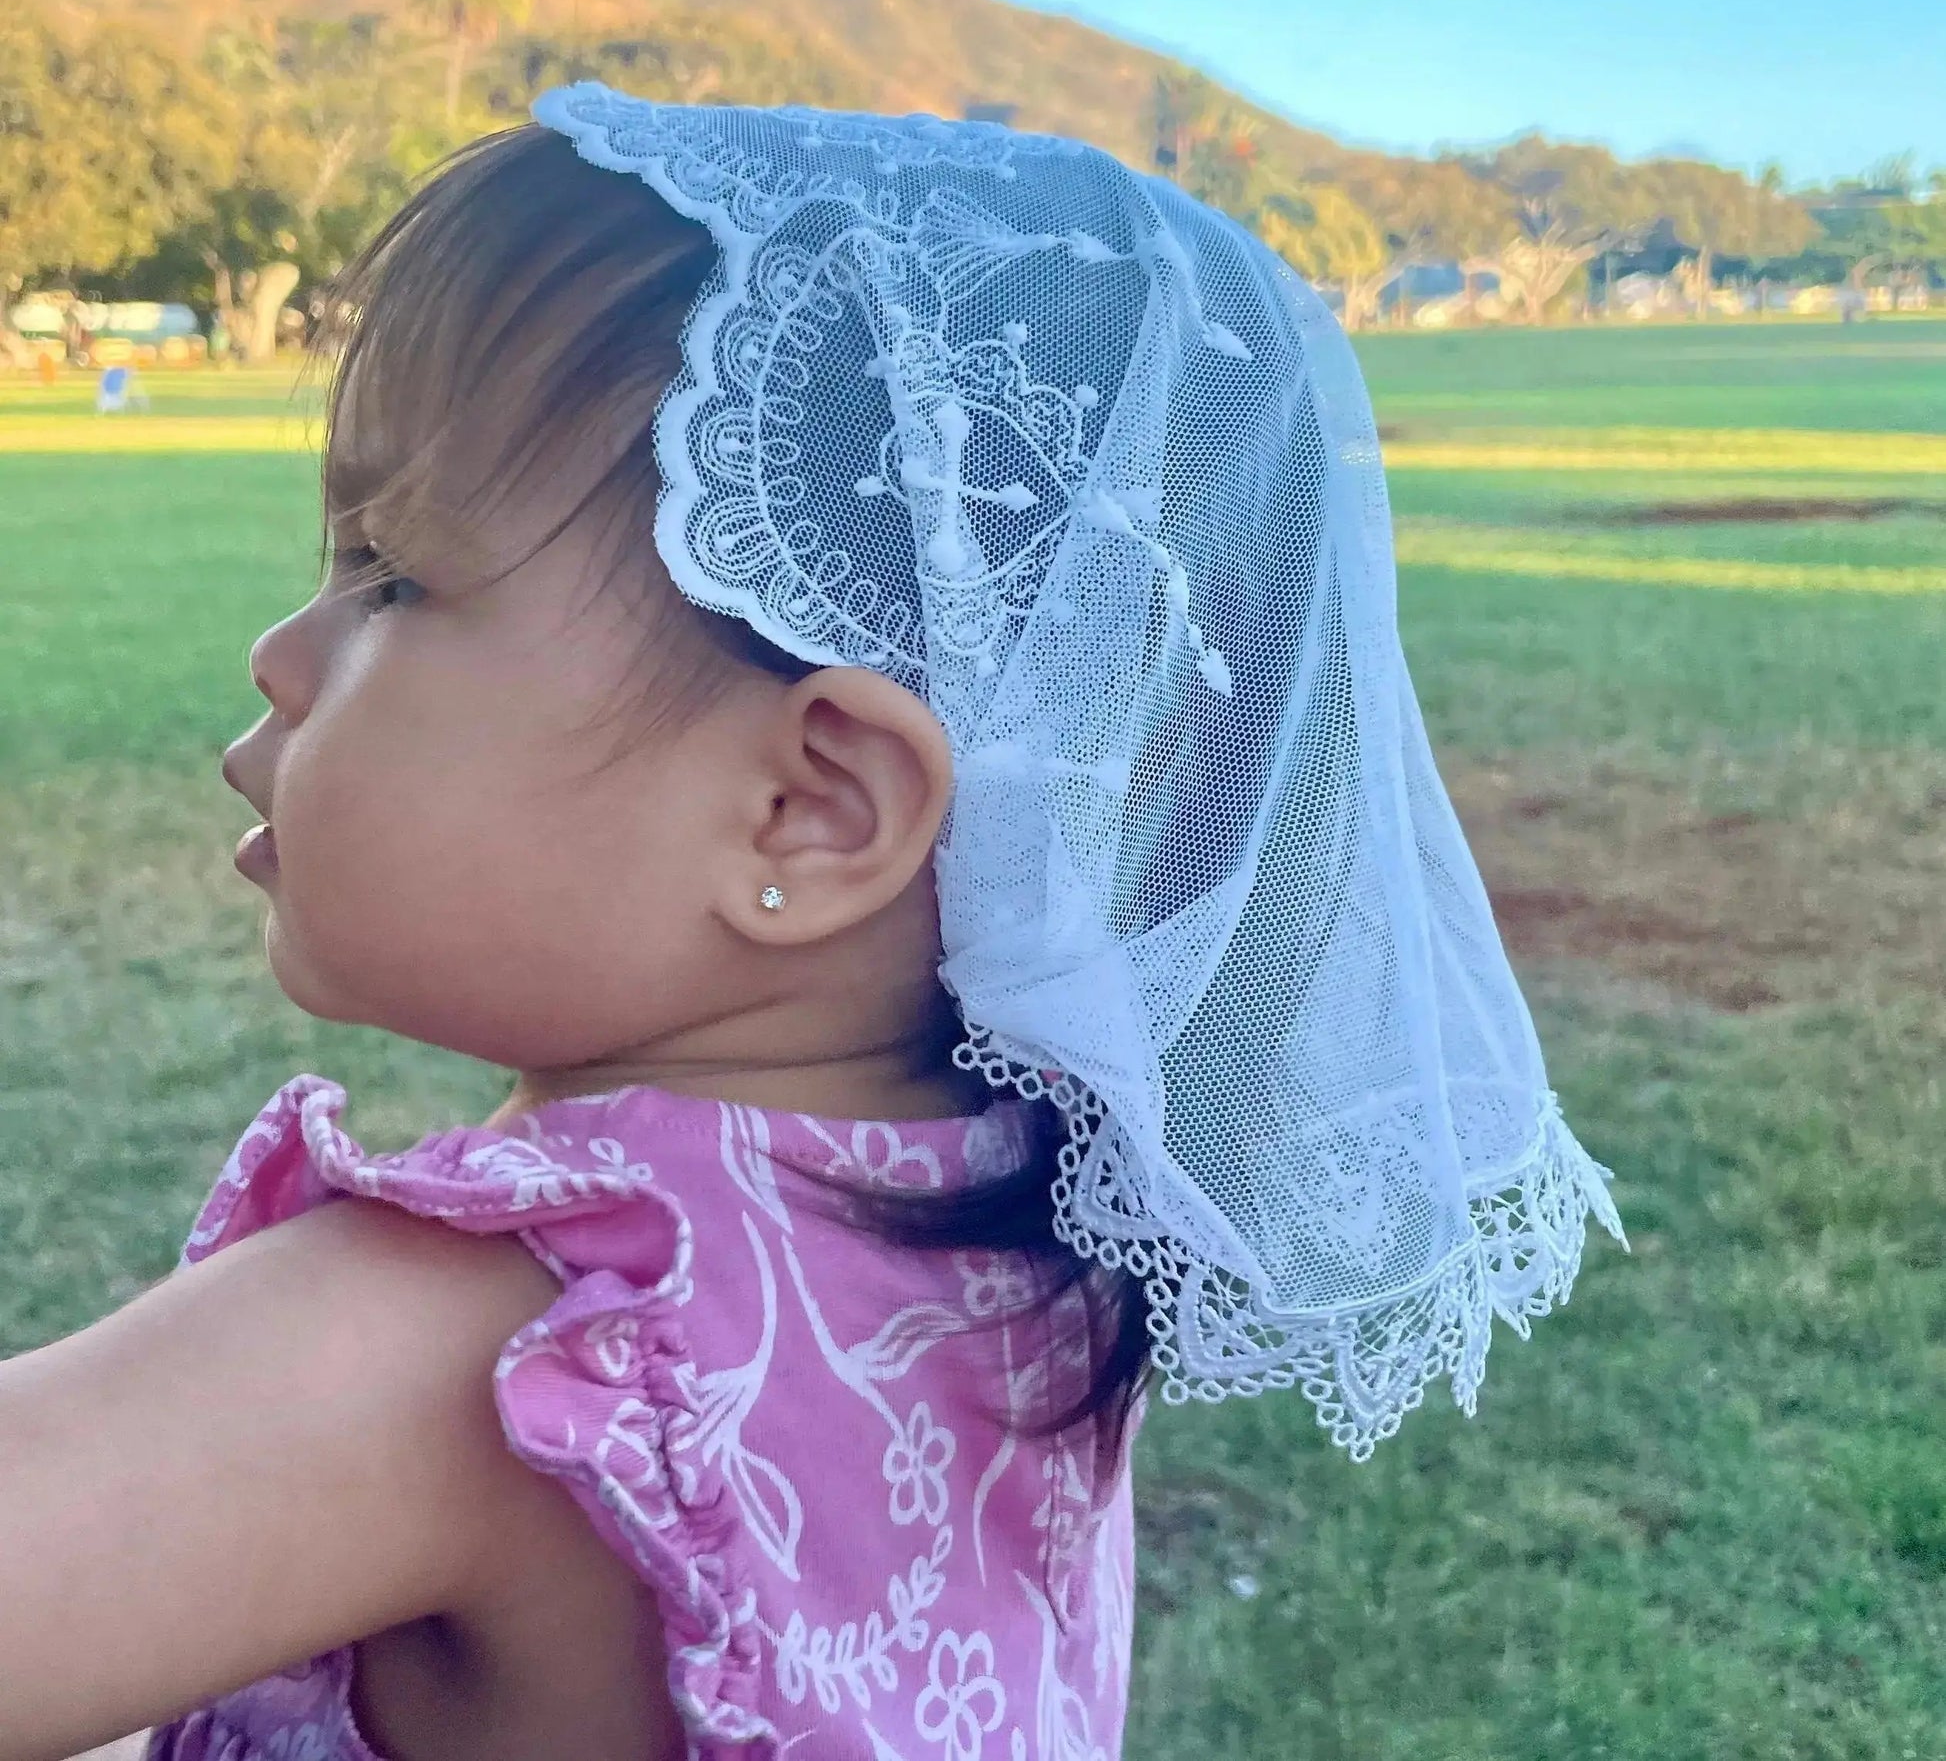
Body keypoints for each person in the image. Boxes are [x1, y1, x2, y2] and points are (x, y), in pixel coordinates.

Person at [0, 89, 1624, 1761]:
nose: (284, 646)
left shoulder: (481, 1355)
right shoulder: (1002, 1236)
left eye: (397, 577)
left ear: (812, 810)